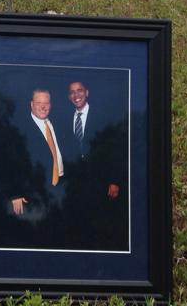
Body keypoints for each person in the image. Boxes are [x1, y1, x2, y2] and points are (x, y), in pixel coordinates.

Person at [0, 89, 66, 249]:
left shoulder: (56, 126)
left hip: (56, 195)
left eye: (46, 103)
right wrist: (15, 193)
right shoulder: (20, 128)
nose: (43, 107)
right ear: (31, 105)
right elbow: (8, 162)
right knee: (32, 243)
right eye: (39, 103)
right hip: (29, 199)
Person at [61, 79, 127, 251]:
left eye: (79, 90)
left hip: (101, 182)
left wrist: (115, 180)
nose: (76, 95)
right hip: (76, 183)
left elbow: (115, 148)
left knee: (102, 227)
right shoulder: (64, 119)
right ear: (69, 97)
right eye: (72, 92)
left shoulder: (103, 116)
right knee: (77, 228)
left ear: (87, 93)